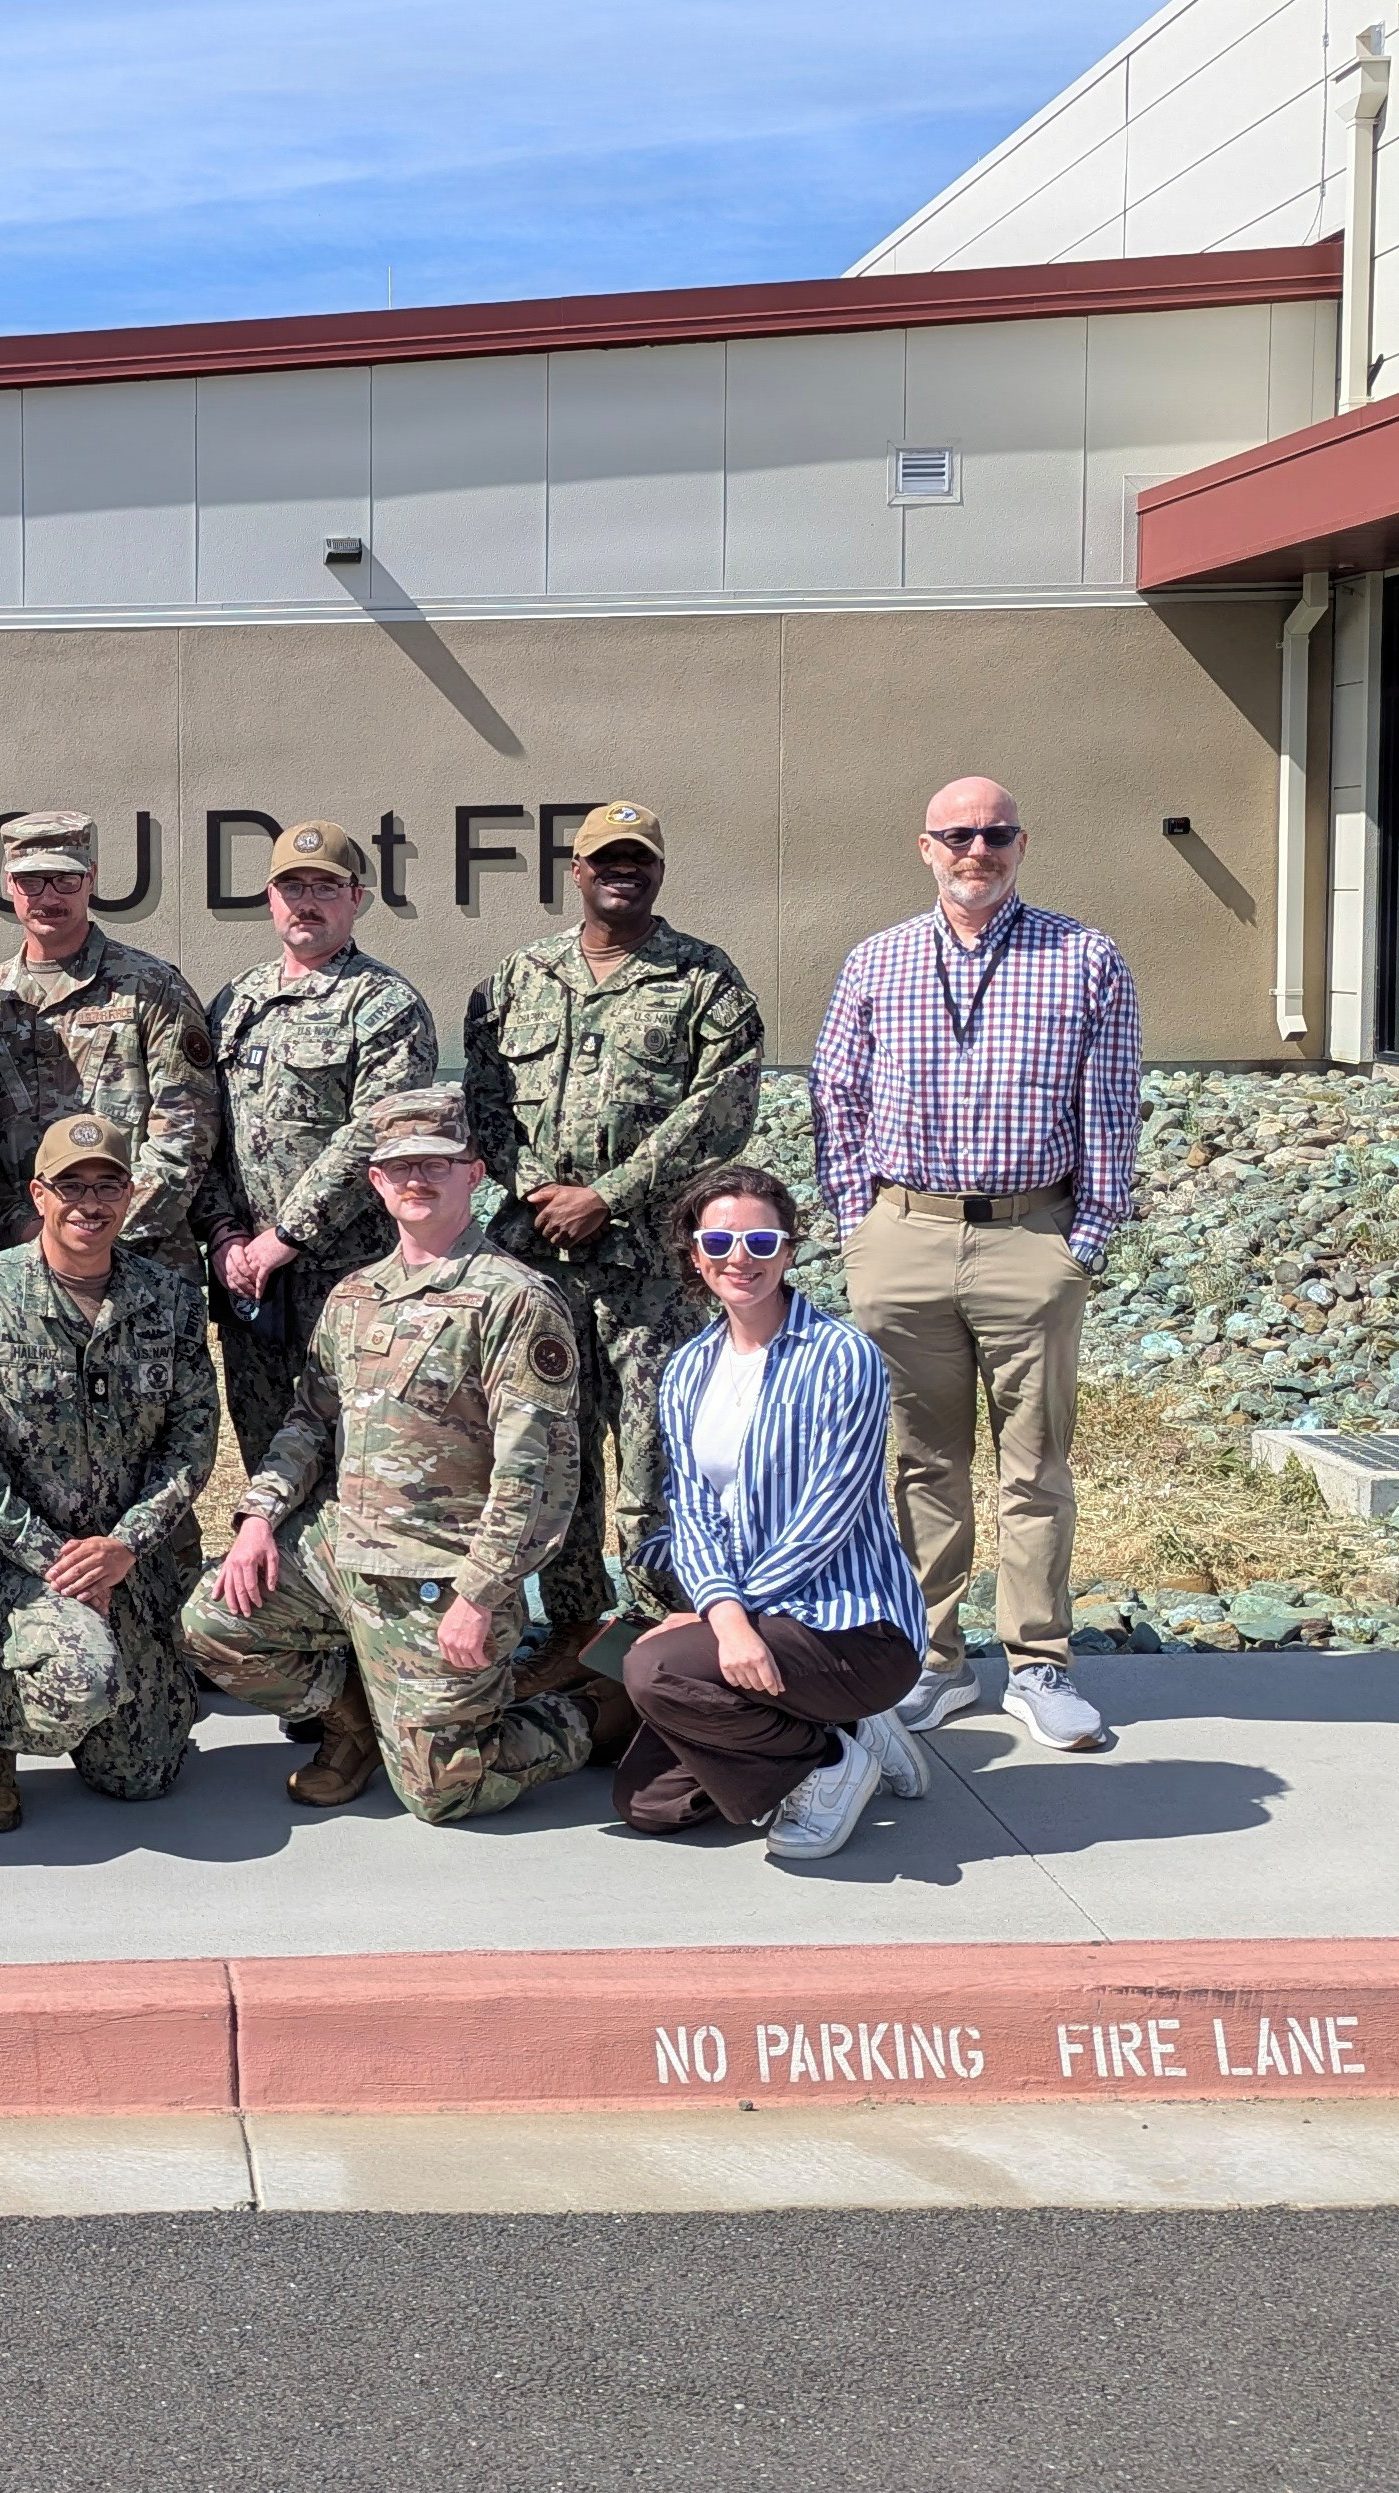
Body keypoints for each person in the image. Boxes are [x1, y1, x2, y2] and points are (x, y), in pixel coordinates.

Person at [810, 774, 1141, 1756]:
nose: (976, 851)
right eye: (957, 835)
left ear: (1021, 844)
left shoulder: (1084, 958)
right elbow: (835, 1091)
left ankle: (1038, 1664)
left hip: (1031, 1237)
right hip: (903, 1237)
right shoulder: (877, 959)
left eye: (995, 834)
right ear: (926, 847)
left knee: (1035, 1463)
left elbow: (1112, 1103)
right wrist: (857, 1226)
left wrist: (1086, 1241)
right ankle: (933, 1660)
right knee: (923, 1461)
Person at [183, 1086, 599, 1824]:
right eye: (400, 1166)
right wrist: (258, 1520)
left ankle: (596, 1712)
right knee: (211, 1624)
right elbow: (309, 1423)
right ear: (375, 1181)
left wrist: (481, 1595)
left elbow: (535, 1474)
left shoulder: (514, 1299)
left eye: (437, 1164)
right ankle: (357, 1721)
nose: (417, 1179)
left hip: (439, 1575)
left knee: (443, 1792)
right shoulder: (355, 1296)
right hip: (341, 1554)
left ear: (474, 1174)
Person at [462, 799, 764, 1653]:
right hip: (539, 1266)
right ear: (577, 871)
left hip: (650, 1270)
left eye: (638, 859)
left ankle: (664, 1635)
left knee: (656, 1457)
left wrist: (609, 1194)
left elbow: (722, 1108)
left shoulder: (703, 980)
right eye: (605, 859)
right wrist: (537, 1189)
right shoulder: (517, 979)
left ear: (658, 872)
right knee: (552, 1452)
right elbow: (484, 1101)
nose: (621, 871)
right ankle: (575, 1634)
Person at [614, 1166, 935, 1861]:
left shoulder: (844, 1357)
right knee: (651, 1804)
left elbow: (829, 1513)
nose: (741, 1258)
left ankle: (828, 1764)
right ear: (695, 1255)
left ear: (789, 1251)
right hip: (753, 1619)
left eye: (761, 1242)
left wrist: (724, 1618)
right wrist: (722, 1610)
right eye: (719, 1242)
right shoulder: (688, 1369)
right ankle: (848, 1731)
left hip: (854, 1625)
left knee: (656, 1672)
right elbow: (692, 1509)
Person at [0, 1115, 220, 1832]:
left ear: (130, 1194)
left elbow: (193, 1442)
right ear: (39, 1194)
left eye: (107, 1186)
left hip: (132, 1560)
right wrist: (58, 1564)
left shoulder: (172, 1300)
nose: (90, 1203)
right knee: (79, 1679)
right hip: (22, 1564)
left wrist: (125, 1546)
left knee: (142, 1774)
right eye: (71, 1186)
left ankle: (98, 1678)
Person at [197, 818, 439, 1475]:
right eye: (293, 887)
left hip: (351, 1280)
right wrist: (223, 1235)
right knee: (267, 1464)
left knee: (359, 1467)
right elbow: (203, 1127)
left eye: (325, 887)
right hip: (250, 1282)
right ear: (270, 899)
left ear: (356, 898)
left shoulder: (385, 1006)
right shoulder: (235, 1003)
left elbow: (376, 1135)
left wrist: (286, 1237)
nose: (307, 902)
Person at [0, 809, 219, 1264]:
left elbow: (188, 1127)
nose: (49, 896)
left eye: (66, 880)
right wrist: (29, 1232)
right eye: (31, 881)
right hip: (26, 1266)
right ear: (8, 884)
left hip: (145, 1262)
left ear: (92, 879)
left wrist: (101, 1236)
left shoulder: (151, 988)